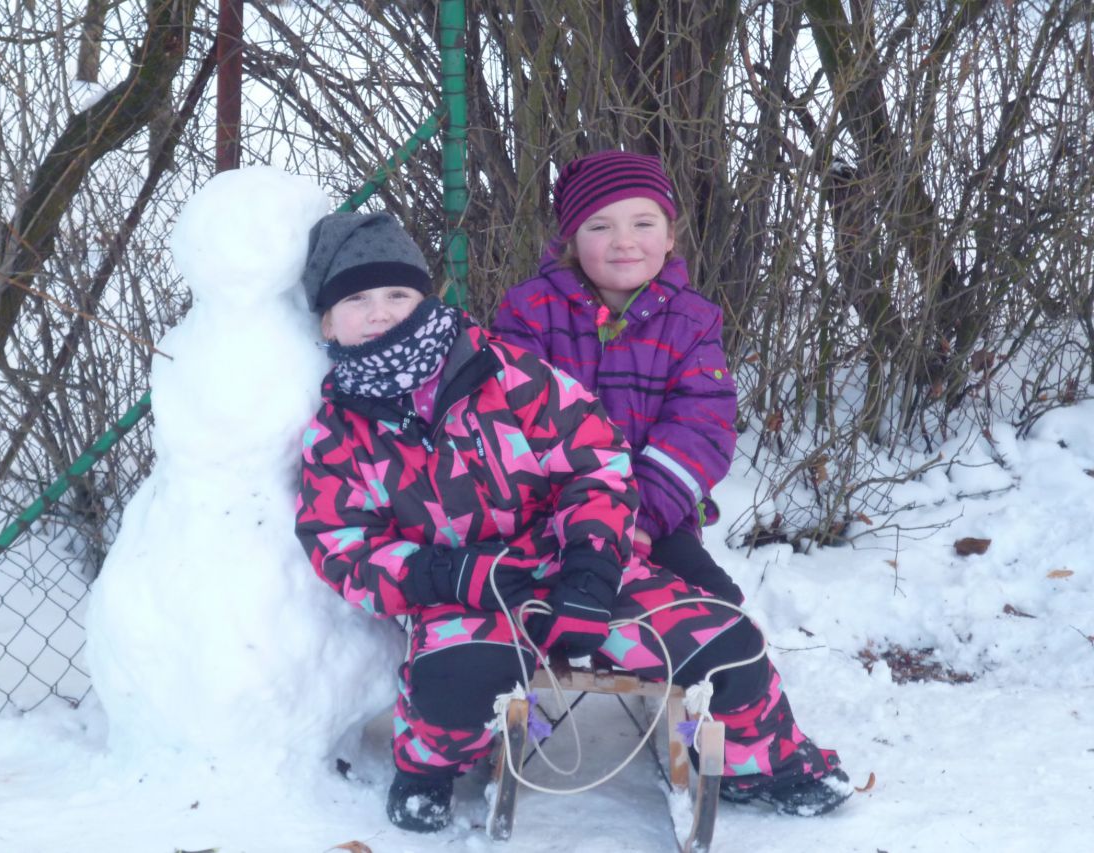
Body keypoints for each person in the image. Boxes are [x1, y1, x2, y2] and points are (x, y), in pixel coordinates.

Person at [294, 210, 849, 835]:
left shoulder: (505, 373)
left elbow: (597, 463)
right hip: (464, 591)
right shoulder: (339, 432)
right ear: (328, 322)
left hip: (574, 564)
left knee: (726, 646)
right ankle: (429, 768)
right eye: (357, 300)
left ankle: (762, 765)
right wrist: (442, 574)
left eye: (398, 293)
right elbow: (340, 544)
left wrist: (590, 563)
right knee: (452, 684)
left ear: (427, 298)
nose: (381, 312)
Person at [494, 149, 744, 605]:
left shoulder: (693, 321)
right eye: (600, 226)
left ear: (670, 236)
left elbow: (702, 426)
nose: (624, 241)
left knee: (720, 609)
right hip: (551, 516)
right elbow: (509, 419)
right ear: (571, 242)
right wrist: (585, 518)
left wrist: (638, 517)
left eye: (643, 224)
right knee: (553, 607)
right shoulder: (530, 312)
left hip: (655, 515)